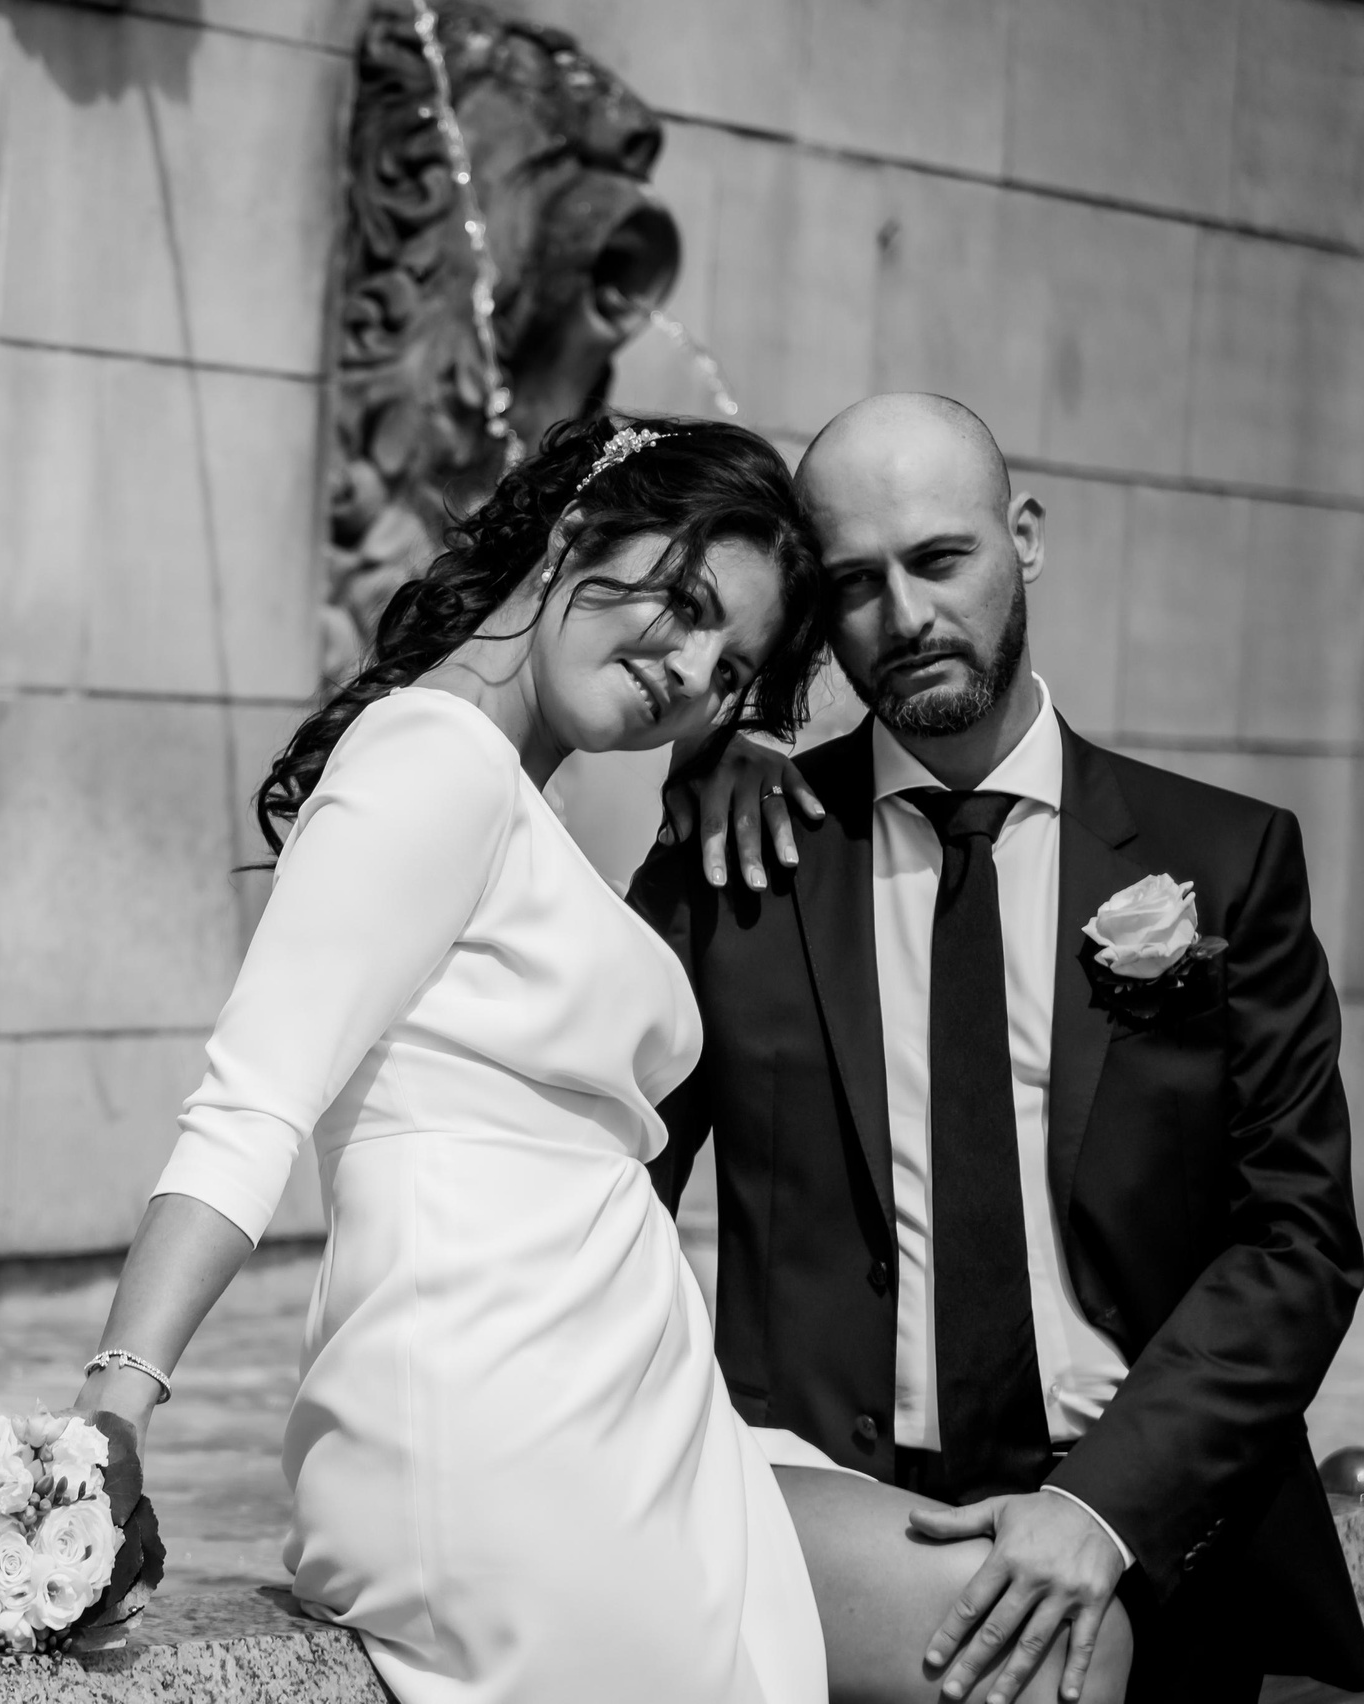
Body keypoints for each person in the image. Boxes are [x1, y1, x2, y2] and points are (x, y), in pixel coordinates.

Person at [69, 414, 1128, 1704]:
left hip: (631, 1401)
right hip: (507, 1424)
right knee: (1047, 1653)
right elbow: (250, 1105)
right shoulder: (429, 763)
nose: (688, 669)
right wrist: (114, 1413)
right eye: (679, 605)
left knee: (1057, 1634)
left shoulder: (516, 783)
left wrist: (712, 748)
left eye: (730, 666)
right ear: (574, 535)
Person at [639, 393, 1364, 1704]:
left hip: (1162, 1534)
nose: (905, 618)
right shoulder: (740, 862)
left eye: (940, 559)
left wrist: (1103, 1509)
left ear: (1023, 537)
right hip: (843, 1545)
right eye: (854, 582)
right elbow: (594, 1183)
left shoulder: (1224, 859)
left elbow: (1299, 1240)